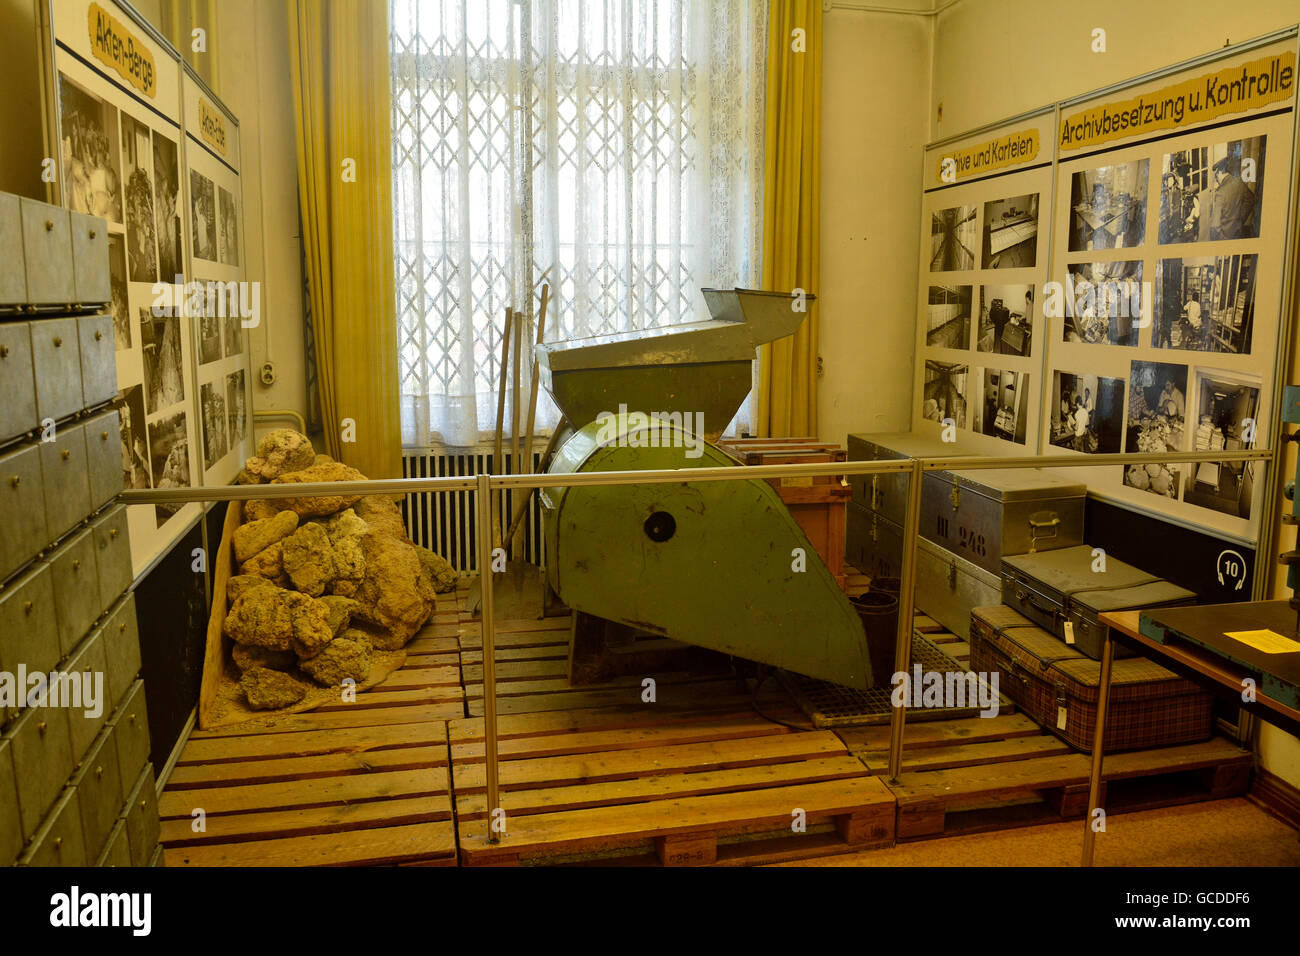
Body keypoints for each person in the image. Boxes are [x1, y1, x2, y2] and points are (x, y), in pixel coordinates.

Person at [1208, 156, 1256, 240]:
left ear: (1219, 172)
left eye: (1216, 177)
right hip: (1239, 234)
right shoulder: (1239, 183)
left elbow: (1215, 225)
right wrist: (1240, 219)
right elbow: (1251, 199)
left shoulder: (1220, 192)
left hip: (1225, 238)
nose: (1216, 181)